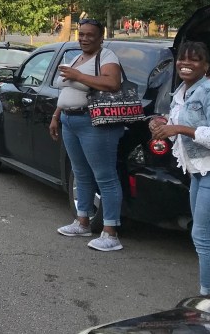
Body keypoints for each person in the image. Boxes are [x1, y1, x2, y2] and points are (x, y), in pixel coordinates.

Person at [49, 18, 125, 251]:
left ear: (101, 37)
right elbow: (69, 88)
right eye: (81, 34)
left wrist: (78, 75)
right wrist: (56, 115)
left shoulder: (107, 57)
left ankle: (110, 233)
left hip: (94, 122)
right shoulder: (77, 57)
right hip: (70, 120)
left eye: (90, 35)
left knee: (105, 176)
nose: (84, 38)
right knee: (81, 173)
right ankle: (83, 222)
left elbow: (112, 83)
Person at [150, 41, 210, 296]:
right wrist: (161, 124)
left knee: (201, 237)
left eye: (195, 60)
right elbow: (176, 123)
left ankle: (207, 297)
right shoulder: (183, 91)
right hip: (198, 172)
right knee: (208, 235)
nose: (186, 64)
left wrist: (177, 129)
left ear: (206, 66)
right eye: (182, 59)